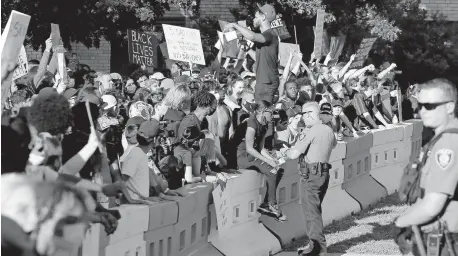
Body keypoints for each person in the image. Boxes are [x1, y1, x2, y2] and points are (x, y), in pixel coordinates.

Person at [395, 78, 458, 256]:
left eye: (430, 106)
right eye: (420, 105)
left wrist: (400, 223)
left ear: (449, 107)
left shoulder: (448, 145)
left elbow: (433, 205)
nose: (423, 111)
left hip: (447, 240)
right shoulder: (439, 139)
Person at [285, 101, 337, 256]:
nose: (303, 119)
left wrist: (287, 151)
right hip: (323, 173)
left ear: (308, 114)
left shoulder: (312, 130)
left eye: (303, 115)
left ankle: (318, 247)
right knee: (315, 210)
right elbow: (333, 144)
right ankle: (313, 245)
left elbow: (294, 154)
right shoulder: (328, 130)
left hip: (311, 174)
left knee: (310, 212)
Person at [233, 100, 286, 221]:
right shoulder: (251, 123)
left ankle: (267, 202)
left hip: (253, 156)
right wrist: (268, 162)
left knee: (279, 169)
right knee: (272, 170)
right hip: (243, 157)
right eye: (270, 112)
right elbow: (249, 148)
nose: (273, 116)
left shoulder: (265, 124)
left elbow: (261, 148)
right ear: (261, 111)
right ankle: (271, 204)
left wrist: (273, 159)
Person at [225, 3, 279, 103]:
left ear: (263, 17)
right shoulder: (265, 37)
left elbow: (252, 36)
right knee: (259, 112)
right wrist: (247, 49)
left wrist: (234, 25)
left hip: (267, 82)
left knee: (263, 113)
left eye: (255, 17)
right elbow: (258, 59)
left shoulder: (270, 34)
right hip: (263, 80)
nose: (253, 19)